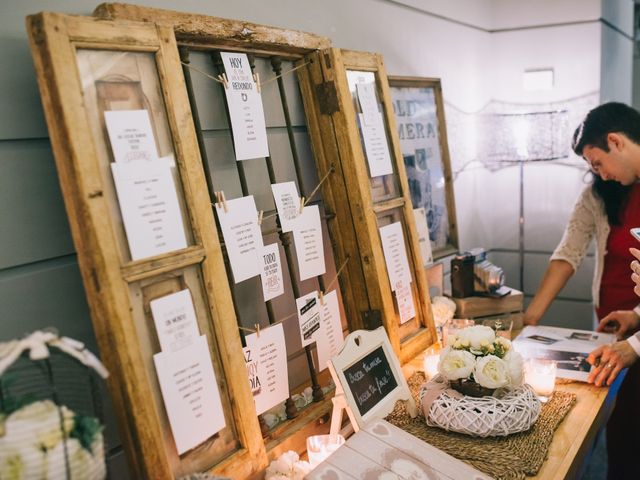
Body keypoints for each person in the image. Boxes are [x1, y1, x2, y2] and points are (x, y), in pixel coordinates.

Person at [524, 102, 640, 479]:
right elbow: (568, 251)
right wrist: (532, 317)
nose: (599, 174)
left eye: (597, 162)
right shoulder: (600, 194)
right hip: (615, 324)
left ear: (615, 142)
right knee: (619, 422)